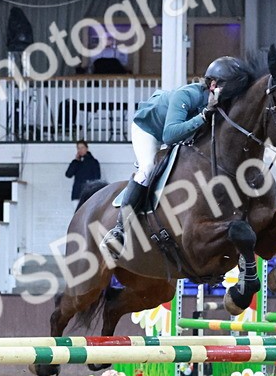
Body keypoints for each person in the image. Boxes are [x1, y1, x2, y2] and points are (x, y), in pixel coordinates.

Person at [101, 56, 242, 257]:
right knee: (148, 169)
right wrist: (204, 115)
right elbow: (170, 135)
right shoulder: (187, 95)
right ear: (213, 86)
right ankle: (119, 230)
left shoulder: (222, 104)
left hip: (181, 136)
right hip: (150, 129)